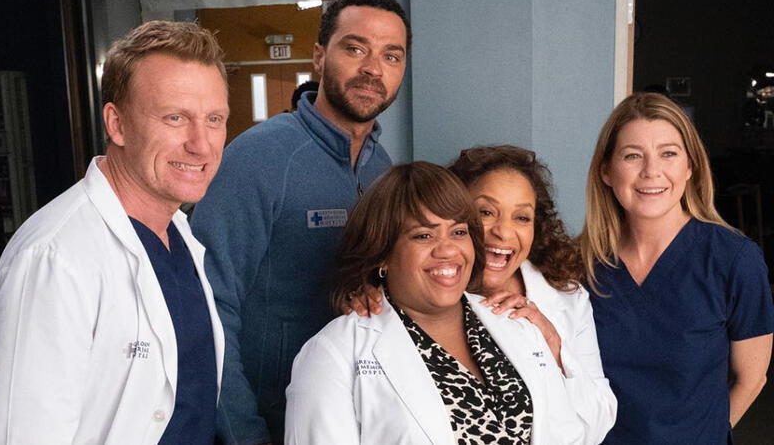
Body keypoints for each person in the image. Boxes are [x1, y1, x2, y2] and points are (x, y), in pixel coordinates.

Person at [0, 21, 229, 444]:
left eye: (214, 119)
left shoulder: (177, 233)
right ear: (117, 124)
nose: (201, 144)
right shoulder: (53, 260)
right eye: (175, 118)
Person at [190, 0, 410, 443]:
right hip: (269, 422)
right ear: (319, 56)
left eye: (391, 56)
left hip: (355, 420)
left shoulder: (383, 169)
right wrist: (243, 433)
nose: (373, 68)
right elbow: (207, 308)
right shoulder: (257, 159)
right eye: (355, 48)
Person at [285, 162, 587, 444]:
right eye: (423, 236)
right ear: (382, 254)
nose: (448, 250)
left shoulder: (515, 324)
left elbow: (567, 435)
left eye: (459, 232)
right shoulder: (333, 354)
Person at [581, 92, 774, 443]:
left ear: (690, 167)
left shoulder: (734, 260)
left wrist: (706, 436)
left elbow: (752, 378)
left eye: (668, 153)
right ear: (606, 171)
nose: (651, 171)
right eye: (632, 155)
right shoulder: (580, 263)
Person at [448, 145, 617, 444]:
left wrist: (554, 346)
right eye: (486, 212)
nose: (503, 232)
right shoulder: (429, 297)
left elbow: (600, 419)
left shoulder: (568, 298)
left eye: (522, 218)